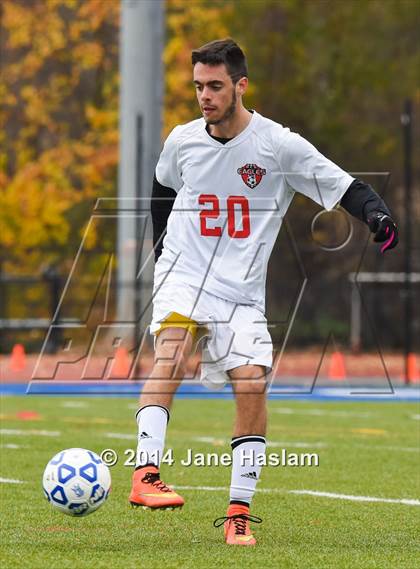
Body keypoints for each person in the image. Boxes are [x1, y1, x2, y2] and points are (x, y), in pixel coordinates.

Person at [128, 38, 398, 546]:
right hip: (183, 276)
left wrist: (377, 214)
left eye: (215, 86)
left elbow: (343, 187)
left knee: (251, 384)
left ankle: (237, 513)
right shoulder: (182, 140)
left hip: (241, 292)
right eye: (198, 87)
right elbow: (162, 189)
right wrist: (166, 249)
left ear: (240, 85)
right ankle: (145, 474)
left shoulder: (278, 145)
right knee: (175, 352)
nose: (204, 96)